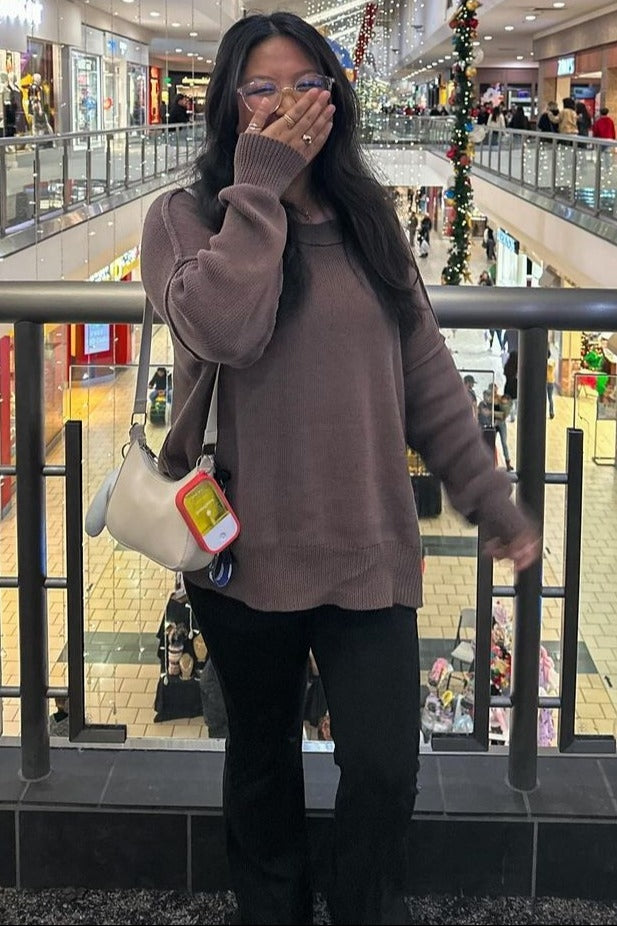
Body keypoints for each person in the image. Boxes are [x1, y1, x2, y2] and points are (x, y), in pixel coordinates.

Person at [140, 13, 538, 925]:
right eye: (261, 89)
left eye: (306, 85)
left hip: (366, 547)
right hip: (242, 553)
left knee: (386, 767)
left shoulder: (368, 223)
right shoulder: (184, 220)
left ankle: (365, 907)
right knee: (262, 761)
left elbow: (426, 375)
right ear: (227, 105)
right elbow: (226, 328)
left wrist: (488, 497)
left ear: (335, 98)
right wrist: (259, 189)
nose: (286, 105)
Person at [547, 348, 556, 420]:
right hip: (550, 381)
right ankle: (551, 412)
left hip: (549, 382)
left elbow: (550, 365)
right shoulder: (551, 361)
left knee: (549, 398)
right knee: (550, 398)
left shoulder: (551, 361)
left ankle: (551, 412)